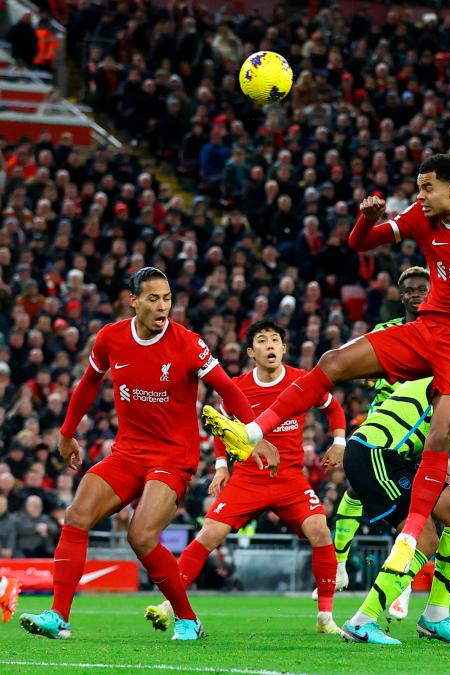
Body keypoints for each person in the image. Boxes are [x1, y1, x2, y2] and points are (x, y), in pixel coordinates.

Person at [204, 155, 450, 577]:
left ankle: (412, 534)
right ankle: (253, 430)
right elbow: (360, 244)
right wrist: (364, 219)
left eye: (427, 187)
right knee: (332, 360)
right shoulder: (420, 217)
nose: (420, 196)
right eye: (417, 187)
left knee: (443, 428)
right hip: (429, 330)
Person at [19, 267, 277, 641]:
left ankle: (188, 619)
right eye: (154, 299)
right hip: (127, 453)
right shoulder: (111, 337)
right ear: (134, 301)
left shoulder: (188, 343)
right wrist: (67, 433)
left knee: (140, 536)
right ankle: (58, 617)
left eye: (168, 299)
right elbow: (90, 381)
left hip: (173, 457)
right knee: (76, 516)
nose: (163, 307)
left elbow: (228, 390)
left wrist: (256, 434)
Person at [143, 320, 347, 635]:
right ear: (251, 352)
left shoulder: (302, 381)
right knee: (208, 534)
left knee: (320, 531)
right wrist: (222, 466)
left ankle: (325, 618)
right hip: (249, 477)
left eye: (275, 340)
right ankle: (170, 606)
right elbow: (220, 427)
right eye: (262, 341)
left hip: (289, 478)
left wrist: (338, 442)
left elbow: (333, 409)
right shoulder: (237, 388)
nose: (270, 345)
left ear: (284, 348)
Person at [339, 373, 450, 646]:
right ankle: (362, 621)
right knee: (424, 540)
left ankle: (436, 616)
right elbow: (447, 420)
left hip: (400, 459)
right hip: (376, 453)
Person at [332, 266, 430, 602]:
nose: (415, 294)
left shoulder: (441, 330)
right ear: (401, 296)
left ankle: (398, 578)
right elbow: (361, 361)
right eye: (410, 290)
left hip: (422, 423)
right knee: (357, 487)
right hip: (383, 421)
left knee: (418, 502)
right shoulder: (386, 330)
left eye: (421, 288)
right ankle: (341, 564)